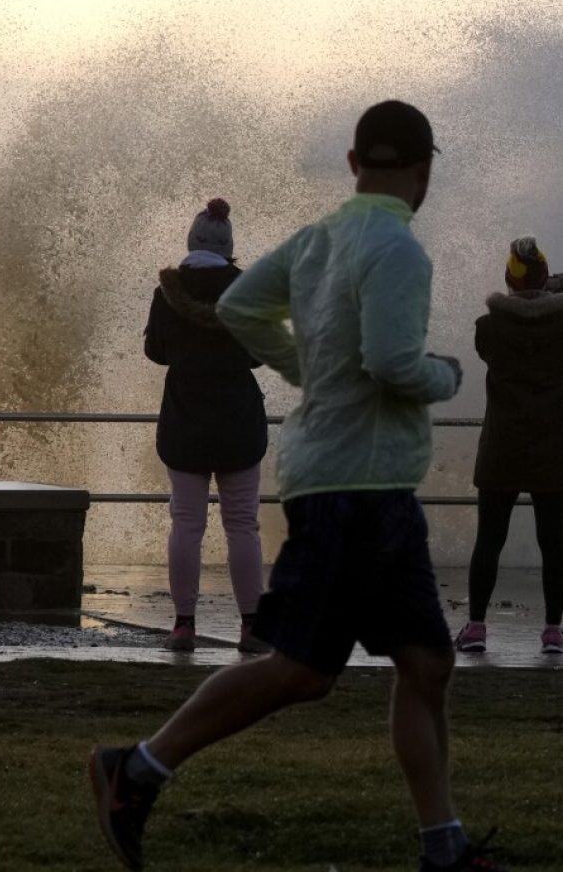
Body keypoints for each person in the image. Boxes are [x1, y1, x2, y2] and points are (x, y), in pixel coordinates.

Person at [91, 101, 506, 872]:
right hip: (359, 488)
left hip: (356, 483)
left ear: (354, 166)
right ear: (424, 170)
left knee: (427, 664)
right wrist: (444, 376)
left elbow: (244, 308)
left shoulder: (319, 240)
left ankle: (443, 845)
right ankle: (137, 769)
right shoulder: (400, 252)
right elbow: (390, 364)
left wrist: (305, 371)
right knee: (301, 672)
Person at [455, 238, 563, 655]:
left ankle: (476, 627)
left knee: (489, 538)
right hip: (553, 449)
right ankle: (552, 632)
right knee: (553, 541)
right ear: (547, 280)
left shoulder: (488, 328)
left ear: (508, 280)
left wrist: (540, 297)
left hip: (502, 448)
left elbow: (503, 332)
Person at [143, 198, 269, 653]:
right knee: (242, 526)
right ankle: (252, 626)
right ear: (229, 246)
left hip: (185, 421)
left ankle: (183, 625)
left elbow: (156, 352)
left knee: (186, 524)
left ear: (191, 242)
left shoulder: (168, 294)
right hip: (238, 423)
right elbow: (258, 354)